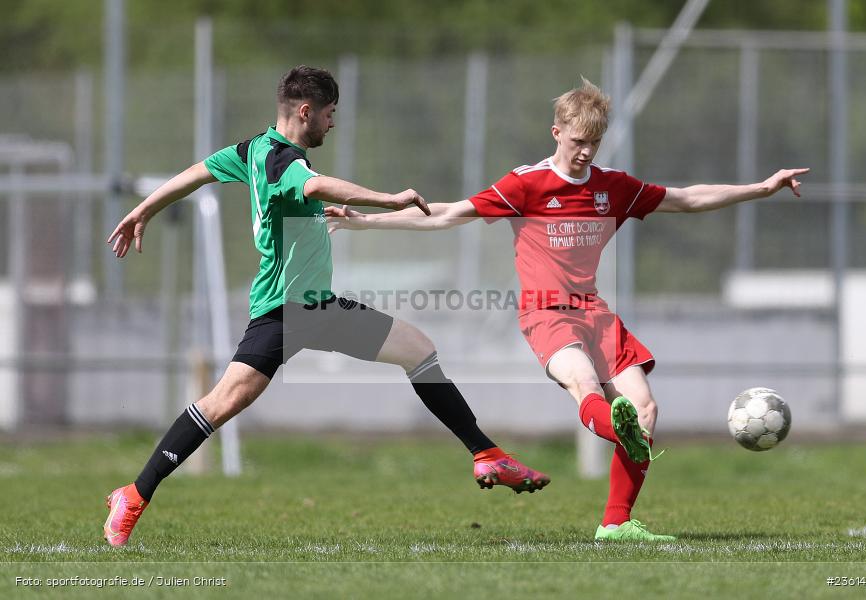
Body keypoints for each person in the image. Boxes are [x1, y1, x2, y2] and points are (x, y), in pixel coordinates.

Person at [327, 76, 808, 541]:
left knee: (645, 407)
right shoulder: (526, 184)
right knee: (583, 383)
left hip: (595, 313)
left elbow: (686, 199)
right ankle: (619, 433)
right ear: (557, 132)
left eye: (594, 143)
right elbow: (449, 214)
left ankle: (616, 524)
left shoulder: (613, 187)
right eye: (578, 140)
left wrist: (760, 189)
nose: (586, 151)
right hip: (545, 313)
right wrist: (366, 224)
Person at [102, 65, 549, 548]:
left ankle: (486, 454)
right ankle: (134, 493)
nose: (333, 124)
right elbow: (311, 185)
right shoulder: (280, 158)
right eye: (330, 114)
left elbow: (196, 175)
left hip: (319, 307)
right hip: (283, 310)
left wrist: (144, 208)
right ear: (305, 111)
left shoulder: (252, 149)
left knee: (419, 350)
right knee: (224, 402)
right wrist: (388, 199)